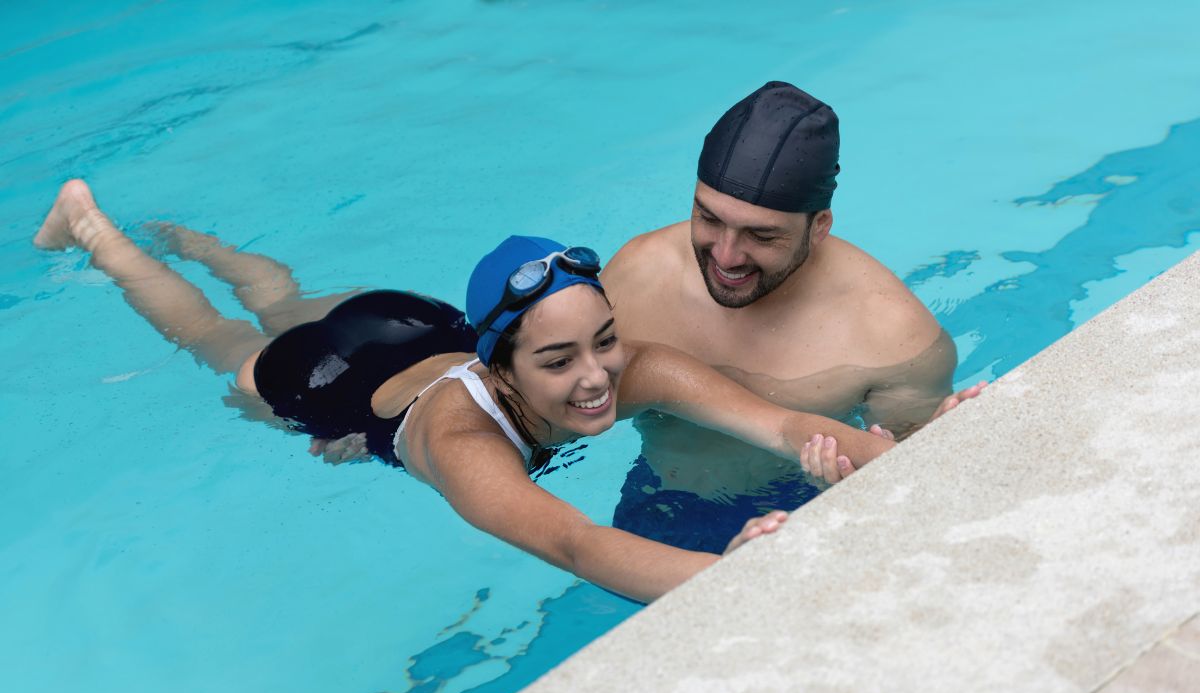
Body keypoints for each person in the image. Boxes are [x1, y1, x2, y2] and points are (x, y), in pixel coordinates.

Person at [35, 179, 899, 602]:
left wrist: (903, 444)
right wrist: (725, 574)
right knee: (218, 338)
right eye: (559, 363)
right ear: (502, 368)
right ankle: (99, 232)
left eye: (603, 342)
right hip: (337, 379)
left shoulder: (627, 367)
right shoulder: (465, 446)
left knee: (282, 300)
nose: (598, 377)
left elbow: (785, 426)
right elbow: (577, 546)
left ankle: (198, 240)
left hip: (412, 323)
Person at [600, 81, 983, 541]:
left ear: (818, 227)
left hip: (801, 511)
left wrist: (858, 487)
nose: (725, 256)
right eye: (708, 218)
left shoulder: (890, 331)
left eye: (761, 237)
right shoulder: (637, 276)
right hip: (656, 500)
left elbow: (918, 487)